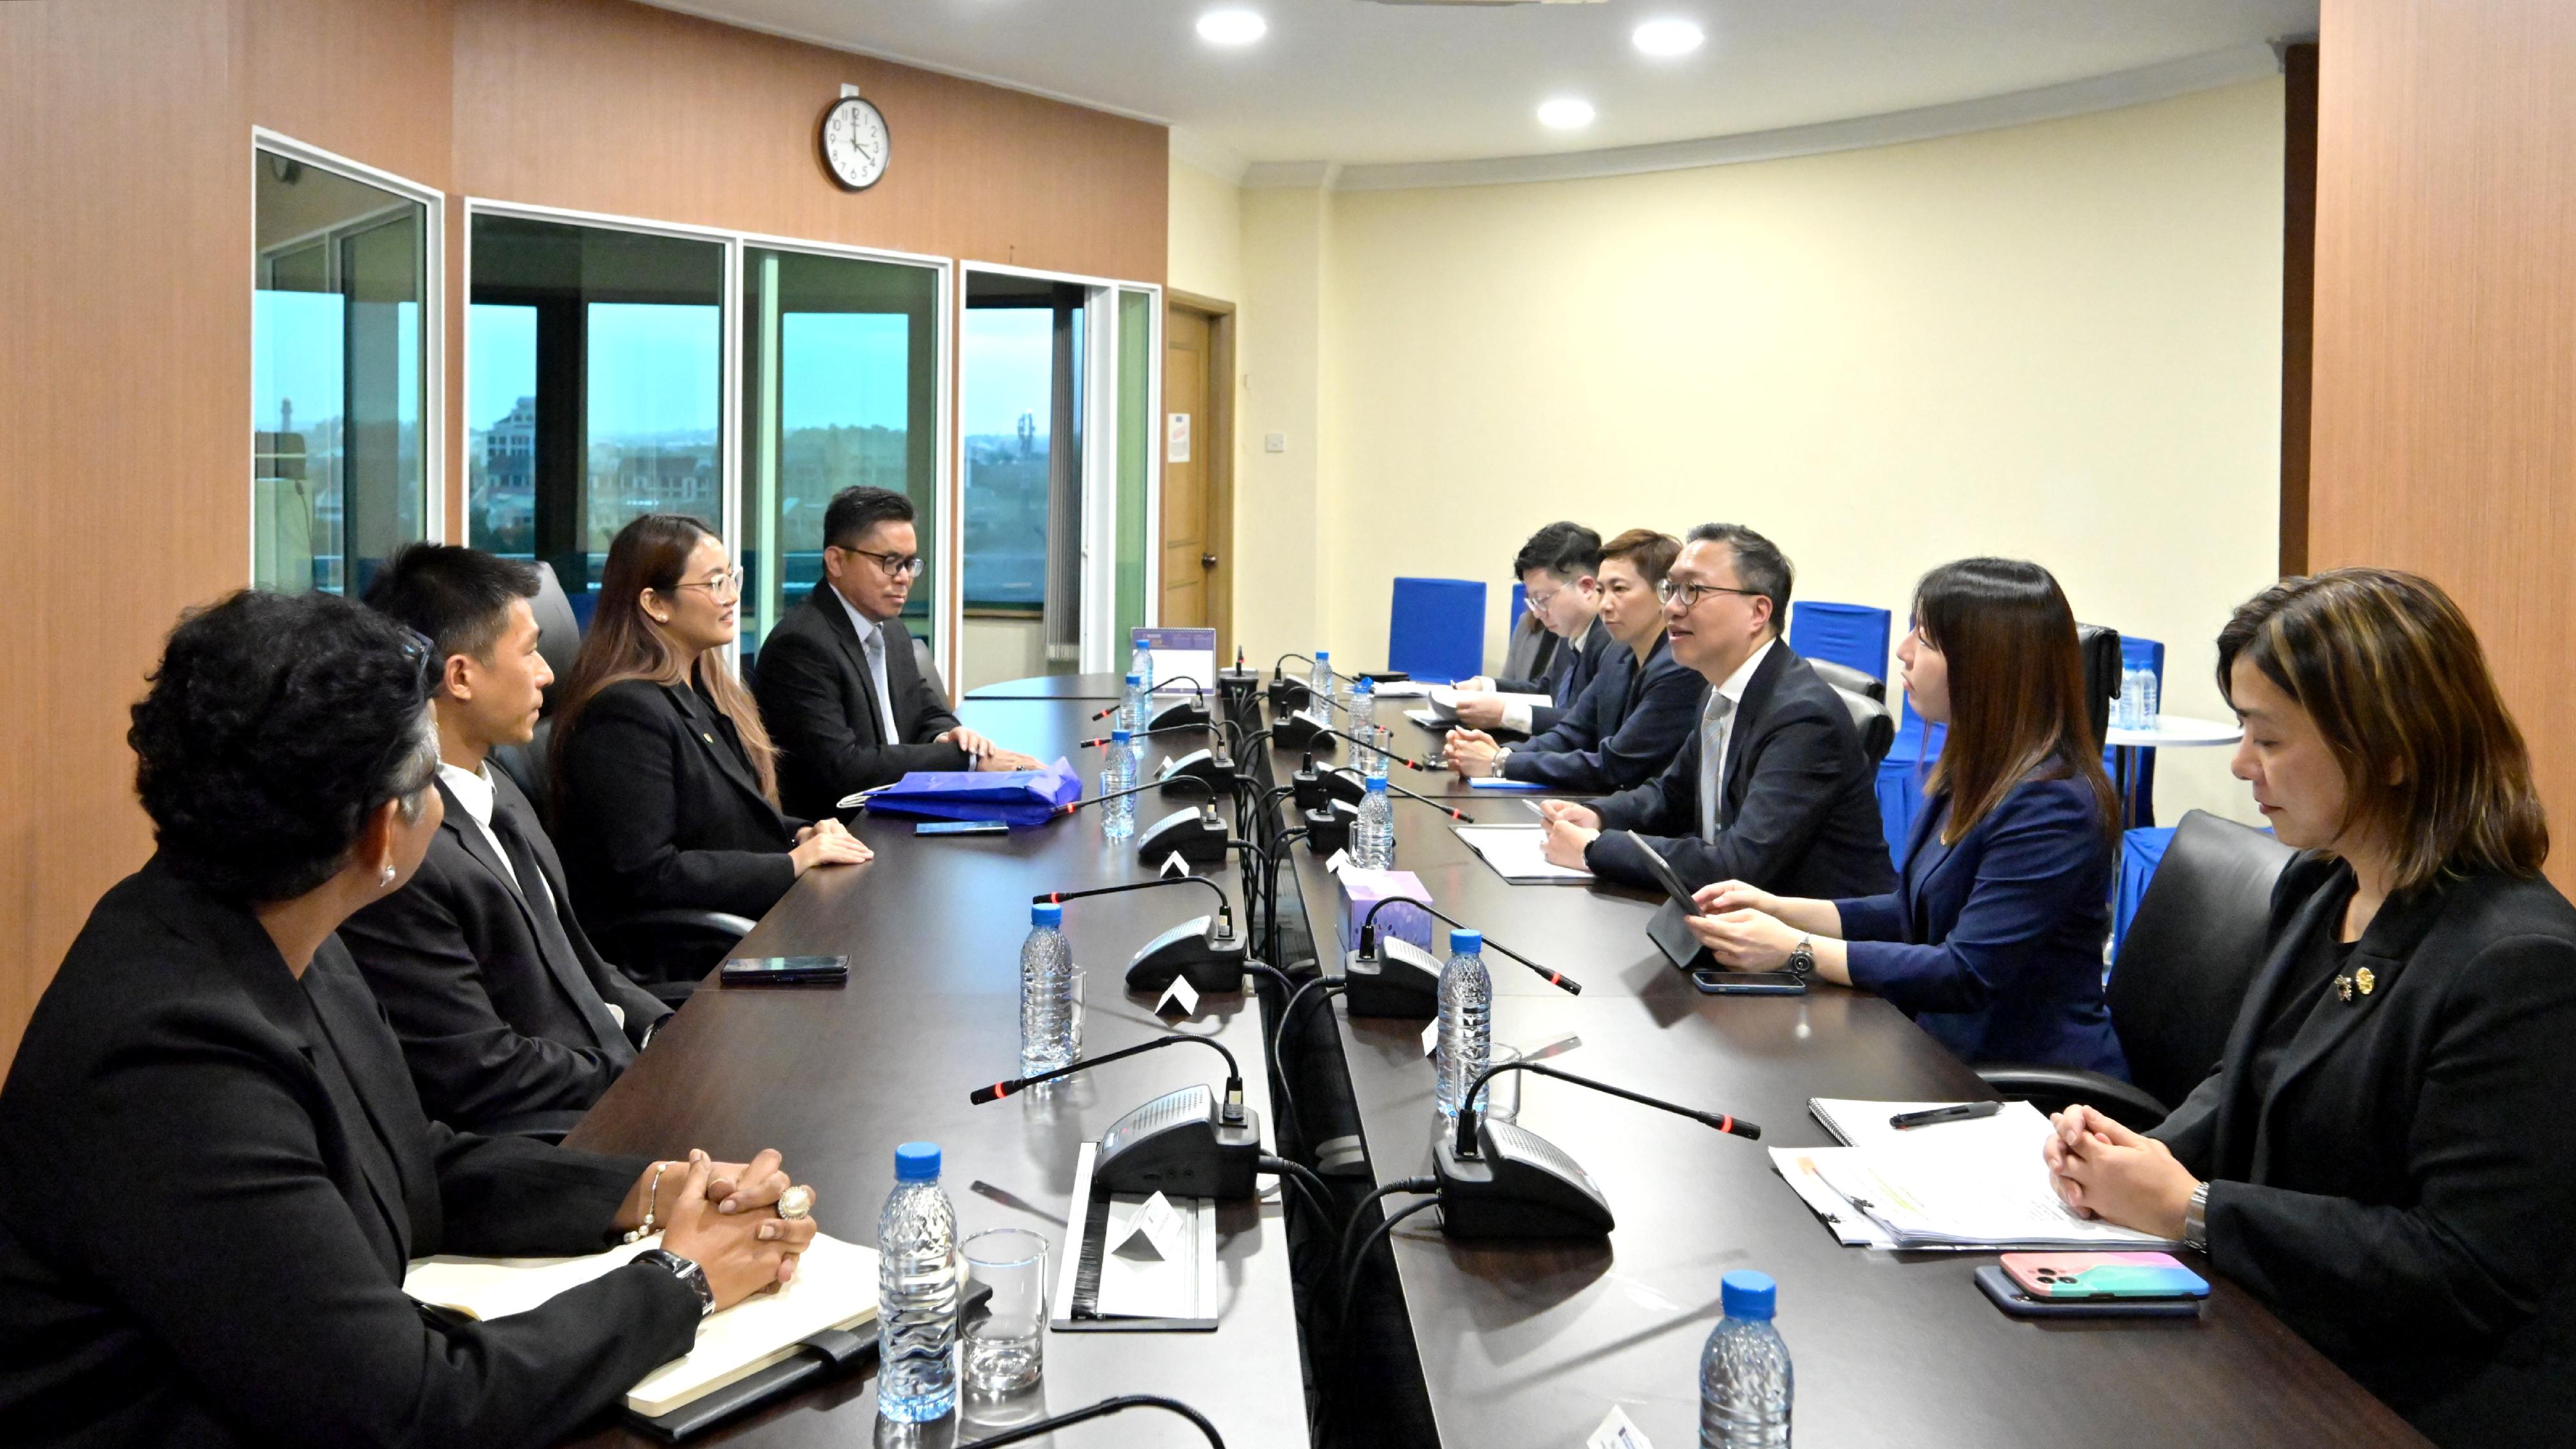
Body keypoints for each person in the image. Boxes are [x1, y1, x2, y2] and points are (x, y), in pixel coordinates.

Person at [0, 590, 818, 1446]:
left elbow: (408, 1167)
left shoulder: (266, 920)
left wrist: (649, 1191)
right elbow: (411, 1408)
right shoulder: (173, 1055)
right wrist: (680, 1280)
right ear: (383, 833)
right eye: (433, 774)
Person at [2041, 568, 2576, 1446]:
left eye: (2270, 737)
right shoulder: (2322, 883)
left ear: (2395, 749)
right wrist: (2140, 1154)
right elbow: (2251, 1070)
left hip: (2412, 1398)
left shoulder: (2520, 964)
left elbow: (2466, 1268)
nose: (2243, 762)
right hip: (2280, 1332)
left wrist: (2195, 1207)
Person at [1683, 558, 2125, 1074]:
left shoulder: (2052, 803)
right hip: (1940, 1050)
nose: (1903, 650)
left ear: (1988, 667)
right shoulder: (1975, 770)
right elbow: (1912, 913)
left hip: (2028, 1088)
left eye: (1927, 639)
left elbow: (1965, 972)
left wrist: (1795, 950)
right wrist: (1781, 909)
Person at [337, 544, 670, 1135]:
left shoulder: (500, 785)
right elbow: (476, 1068)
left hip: (604, 1081)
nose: (547, 672)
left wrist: (664, 1033)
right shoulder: (406, 846)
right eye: (530, 650)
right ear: (460, 676)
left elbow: (582, 965)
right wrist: (643, 1072)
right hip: (552, 1131)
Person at [551, 515, 870, 971]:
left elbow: (732, 822)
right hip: (685, 951)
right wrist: (793, 863)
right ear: (655, 604)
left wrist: (801, 832)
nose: (733, 597)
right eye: (714, 583)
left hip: (743, 924)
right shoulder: (624, 713)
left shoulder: (702, 692)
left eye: (731, 578)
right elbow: (647, 873)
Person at [1538, 523, 1891, 898]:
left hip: (1809, 940)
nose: (1671, 607)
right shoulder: (1718, 689)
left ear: (1758, 612)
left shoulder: (1803, 717)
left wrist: (1595, 849)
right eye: (1670, 588)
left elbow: (1738, 865)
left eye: (1692, 590)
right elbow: (1671, 795)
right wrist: (1599, 815)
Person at [755, 486, 1041, 819]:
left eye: (909, 564)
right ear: (836, 561)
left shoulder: (890, 629)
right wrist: (966, 761)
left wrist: (948, 735)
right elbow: (843, 769)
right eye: (890, 563)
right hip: (845, 834)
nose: (904, 578)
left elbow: (926, 711)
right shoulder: (801, 646)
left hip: (899, 813)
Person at [1443, 528, 1703, 794]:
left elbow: (1614, 764)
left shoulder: (1680, 669)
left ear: (1664, 594)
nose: (1605, 604)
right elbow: (1571, 733)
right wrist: (1498, 752)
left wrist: (1502, 763)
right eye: (1602, 590)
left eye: (1620, 589)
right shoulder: (1617, 654)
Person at [1448, 522, 1611, 735]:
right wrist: (1484, 687)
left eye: (1542, 600)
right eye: (1532, 602)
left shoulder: (1611, 641)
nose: (1537, 613)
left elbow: (1591, 724)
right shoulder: (1573, 629)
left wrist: (1505, 714)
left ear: (1587, 587)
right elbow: (1546, 691)